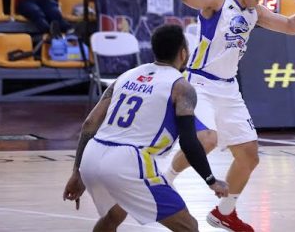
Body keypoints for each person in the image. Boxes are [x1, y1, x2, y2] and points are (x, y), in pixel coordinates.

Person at [163, 0, 295, 231]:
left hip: (228, 88)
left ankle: (224, 212)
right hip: (200, 83)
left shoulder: (255, 12)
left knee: (249, 156)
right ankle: (164, 179)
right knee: (206, 140)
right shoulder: (219, 0)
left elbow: (291, 27)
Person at [62, 24, 230, 231]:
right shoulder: (182, 87)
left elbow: (89, 124)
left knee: (114, 216)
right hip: (128, 163)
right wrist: (211, 180)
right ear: (183, 53)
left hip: (92, 157)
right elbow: (188, 142)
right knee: (188, 227)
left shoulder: (126, 76)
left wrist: (77, 172)